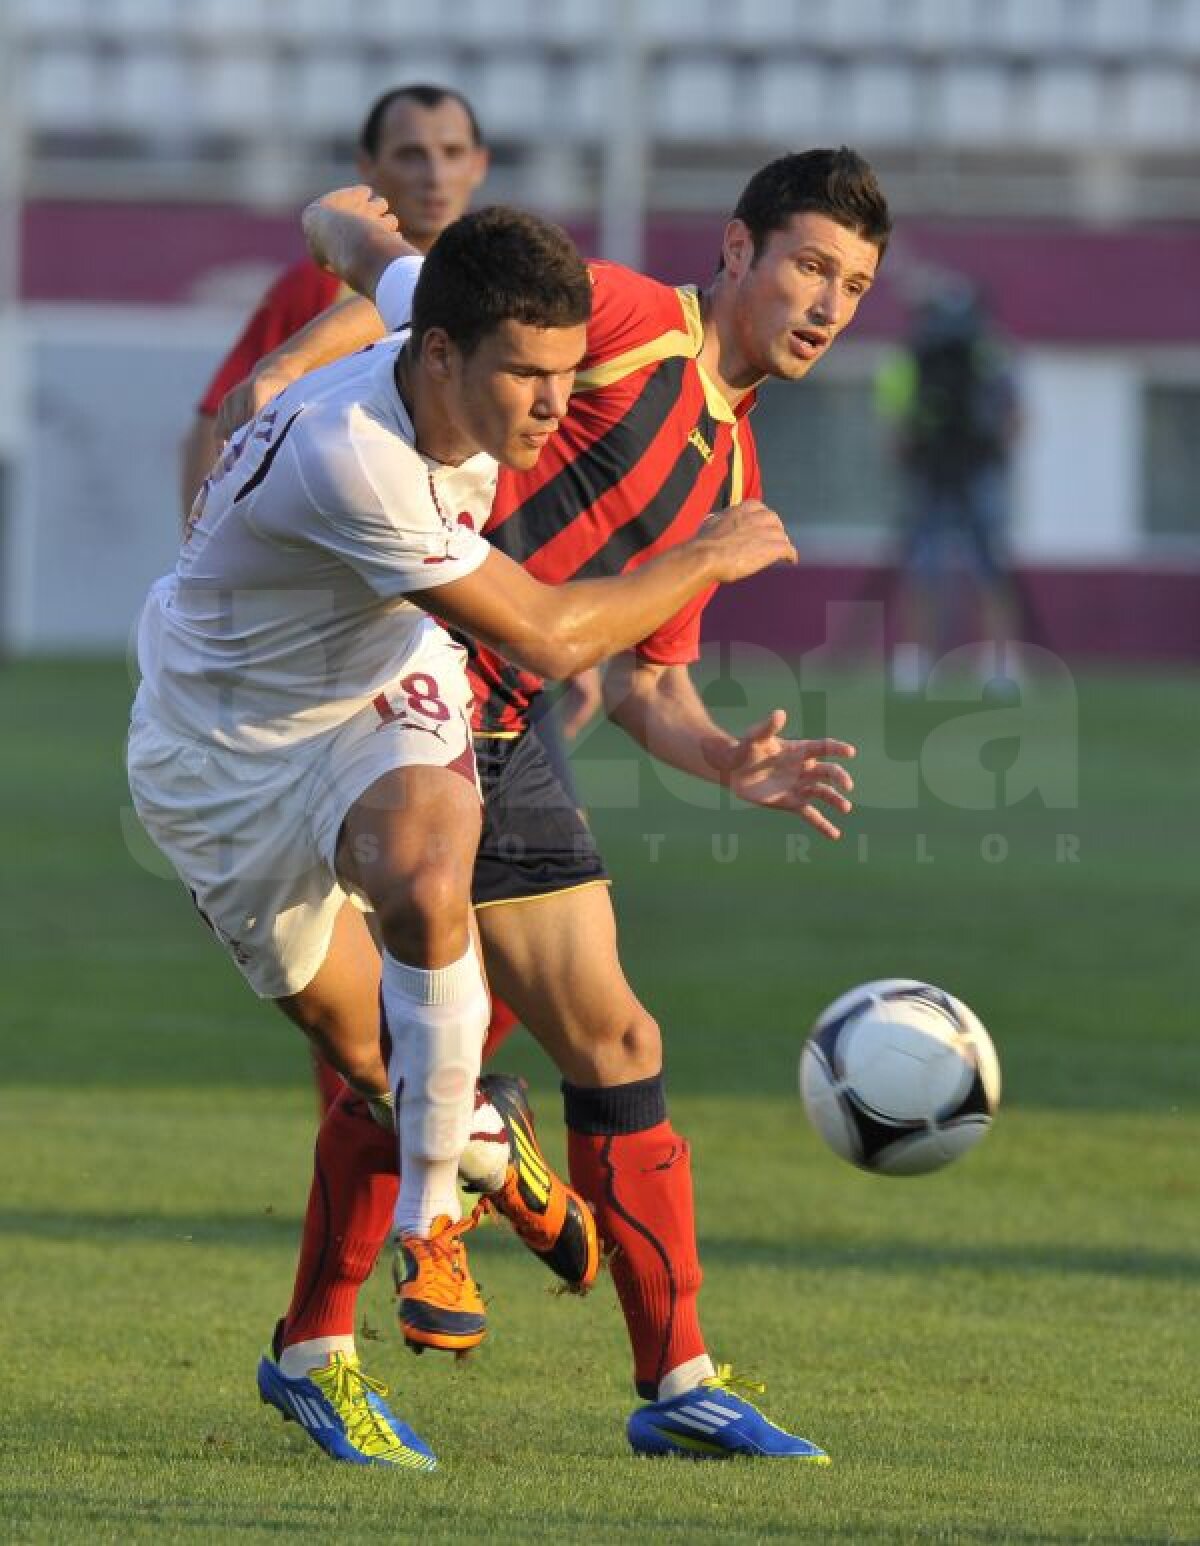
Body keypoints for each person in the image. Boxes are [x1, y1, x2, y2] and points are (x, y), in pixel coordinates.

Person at [230, 148, 888, 1466]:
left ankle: (679, 1382)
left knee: (613, 1037)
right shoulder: (633, 322)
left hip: (514, 728)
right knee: (426, 1051)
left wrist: (726, 759)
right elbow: (449, 294)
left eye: (855, 287)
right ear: (738, 251)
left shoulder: (731, 461)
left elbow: (648, 682)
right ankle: (319, 1348)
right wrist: (288, 373)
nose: (826, 304)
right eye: (810, 266)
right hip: (402, 699)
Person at [179, 83, 489, 519]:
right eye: (410, 155)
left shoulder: (505, 283)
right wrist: (201, 533)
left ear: (479, 164)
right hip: (336, 536)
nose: (434, 175)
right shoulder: (317, 286)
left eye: (452, 153)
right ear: (367, 166)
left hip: (470, 538)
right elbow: (220, 416)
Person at [874, 281, 1023, 690]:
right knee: (961, 567)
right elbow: (1016, 420)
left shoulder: (980, 357)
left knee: (968, 567)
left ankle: (976, 662)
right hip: (945, 472)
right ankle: (969, 663)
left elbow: (894, 436)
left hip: (964, 471)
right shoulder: (928, 360)